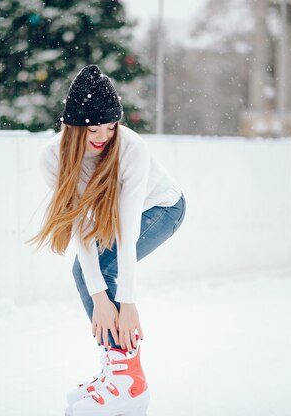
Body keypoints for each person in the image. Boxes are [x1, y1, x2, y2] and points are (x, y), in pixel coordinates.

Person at [30, 64, 186, 416]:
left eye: (111, 127)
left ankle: (128, 378)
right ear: (71, 129)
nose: (102, 136)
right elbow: (81, 227)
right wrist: (100, 299)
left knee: (102, 266)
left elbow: (127, 232)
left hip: (162, 207)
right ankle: (114, 369)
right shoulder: (51, 158)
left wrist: (126, 303)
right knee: (83, 272)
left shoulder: (131, 149)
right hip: (112, 220)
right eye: (93, 129)